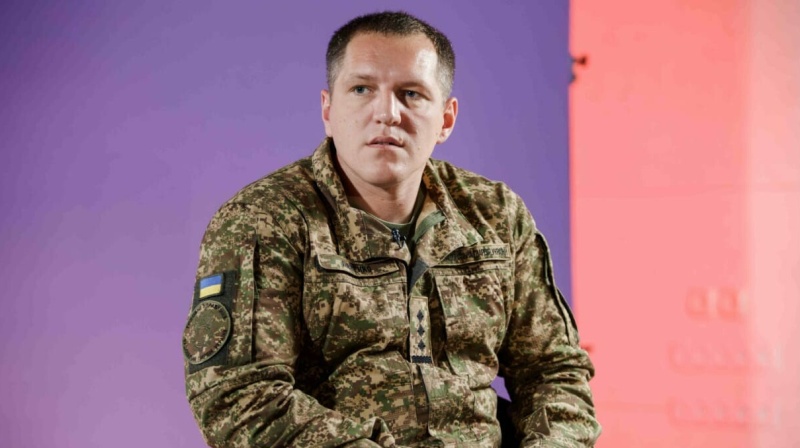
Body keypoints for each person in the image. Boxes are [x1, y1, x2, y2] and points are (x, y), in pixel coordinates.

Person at [182, 10, 600, 448]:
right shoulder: (264, 220)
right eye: (362, 89)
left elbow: (553, 372)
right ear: (328, 110)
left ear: (446, 119)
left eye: (411, 94)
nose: (387, 113)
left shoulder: (495, 214)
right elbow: (238, 397)